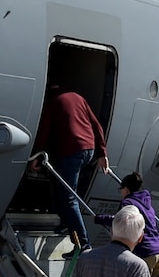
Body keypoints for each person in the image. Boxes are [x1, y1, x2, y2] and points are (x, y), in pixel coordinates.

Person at [34, 82, 109, 252]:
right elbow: (97, 125)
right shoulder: (78, 97)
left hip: (71, 151)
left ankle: (83, 243)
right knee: (61, 182)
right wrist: (102, 152)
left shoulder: (52, 100)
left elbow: (44, 129)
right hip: (88, 150)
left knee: (68, 198)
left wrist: (37, 154)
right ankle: (65, 222)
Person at [94, 172, 159, 277]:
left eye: (120, 189)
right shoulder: (147, 204)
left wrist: (98, 218)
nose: (121, 192)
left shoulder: (128, 203)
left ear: (126, 189)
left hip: (145, 253)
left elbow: (120, 221)